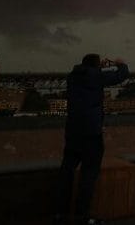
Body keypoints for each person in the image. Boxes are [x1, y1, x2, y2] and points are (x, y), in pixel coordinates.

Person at [53, 54, 129, 225]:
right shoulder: (96, 77)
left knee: (66, 172)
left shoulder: (72, 77)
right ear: (96, 66)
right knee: (89, 174)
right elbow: (121, 76)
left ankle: (60, 213)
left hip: (72, 132)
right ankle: (82, 215)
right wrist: (120, 64)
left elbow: (89, 75)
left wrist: (97, 67)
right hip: (91, 133)